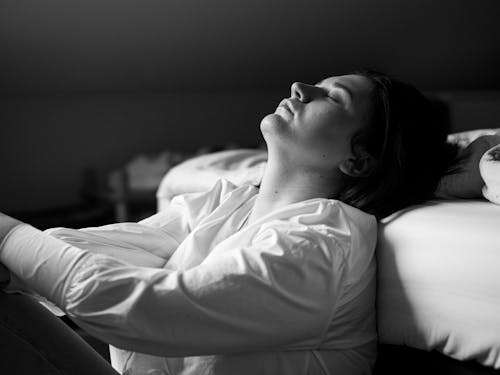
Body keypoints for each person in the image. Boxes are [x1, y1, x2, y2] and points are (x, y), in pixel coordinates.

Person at [0, 71, 455, 375]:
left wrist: (7, 238)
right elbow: (102, 249)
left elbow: (148, 310)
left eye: (332, 97)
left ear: (359, 160)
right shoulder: (232, 203)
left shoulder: (324, 244)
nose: (300, 87)